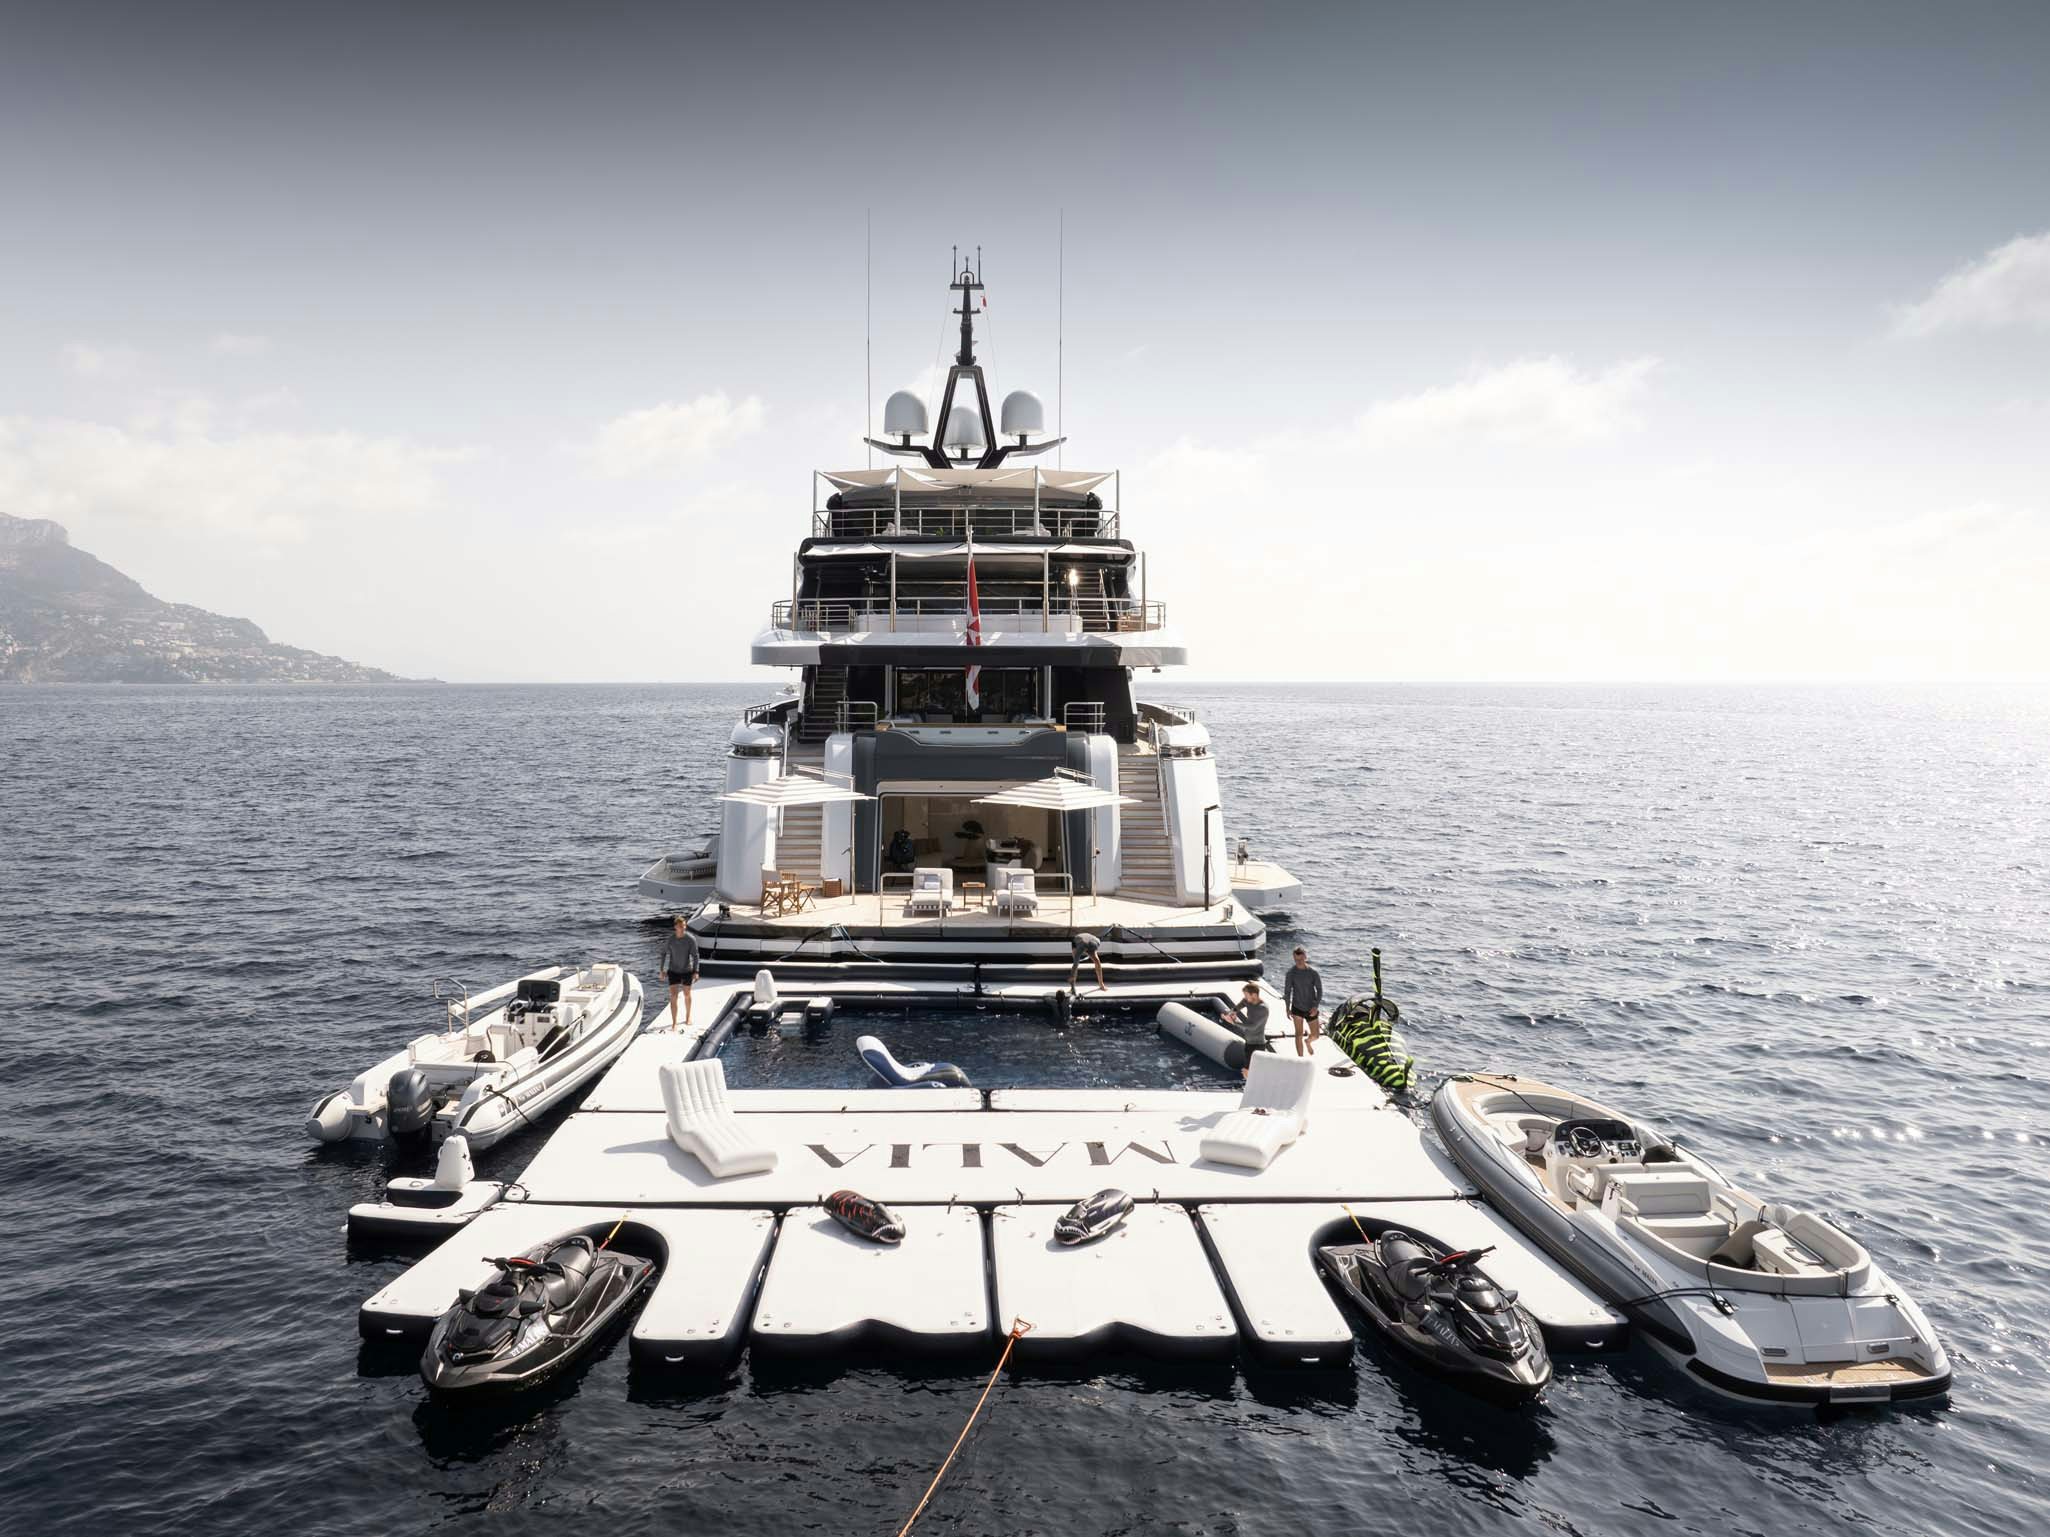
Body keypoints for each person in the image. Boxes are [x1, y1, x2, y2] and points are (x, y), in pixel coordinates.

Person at [1223, 980, 1270, 1079]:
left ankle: (1252, 1089)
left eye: (1246, 995)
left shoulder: (1263, 1009)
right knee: (1247, 1070)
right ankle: (1250, 1087)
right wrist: (1232, 1012)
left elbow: (1253, 1026)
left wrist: (1234, 1023)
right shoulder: (1248, 1001)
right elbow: (1241, 1004)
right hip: (1248, 1042)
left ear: (1254, 995)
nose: (1245, 997)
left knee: (1248, 1070)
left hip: (1258, 1044)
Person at [660, 914, 699, 1030]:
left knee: (687, 994)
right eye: (681, 926)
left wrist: (696, 971)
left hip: (687, 970)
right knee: (673, 996)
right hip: (673, 970)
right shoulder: (670, 940)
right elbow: (663, 953)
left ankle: (687, 1017)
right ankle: (674, 1022)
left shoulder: (690, 939)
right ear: (675, 927)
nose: (683, 928)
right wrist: (661, 970)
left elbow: (696, 956)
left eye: (684, 926)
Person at [1283, 946, 1323, 1057]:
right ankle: (1300, 1059)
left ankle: (1308, 1042)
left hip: (1311, 1008)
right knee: (1298, 1034)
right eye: (1296, 960)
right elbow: (1287, 992)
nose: (1298, 962)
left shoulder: (1313, 973)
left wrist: (1315, 1006)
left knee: (1315, 1035)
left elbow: (1319, 990)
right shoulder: (1290, 973)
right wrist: (1287, 1008)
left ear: (1305, 957)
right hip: (1297, 1007)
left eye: (1300, 960)